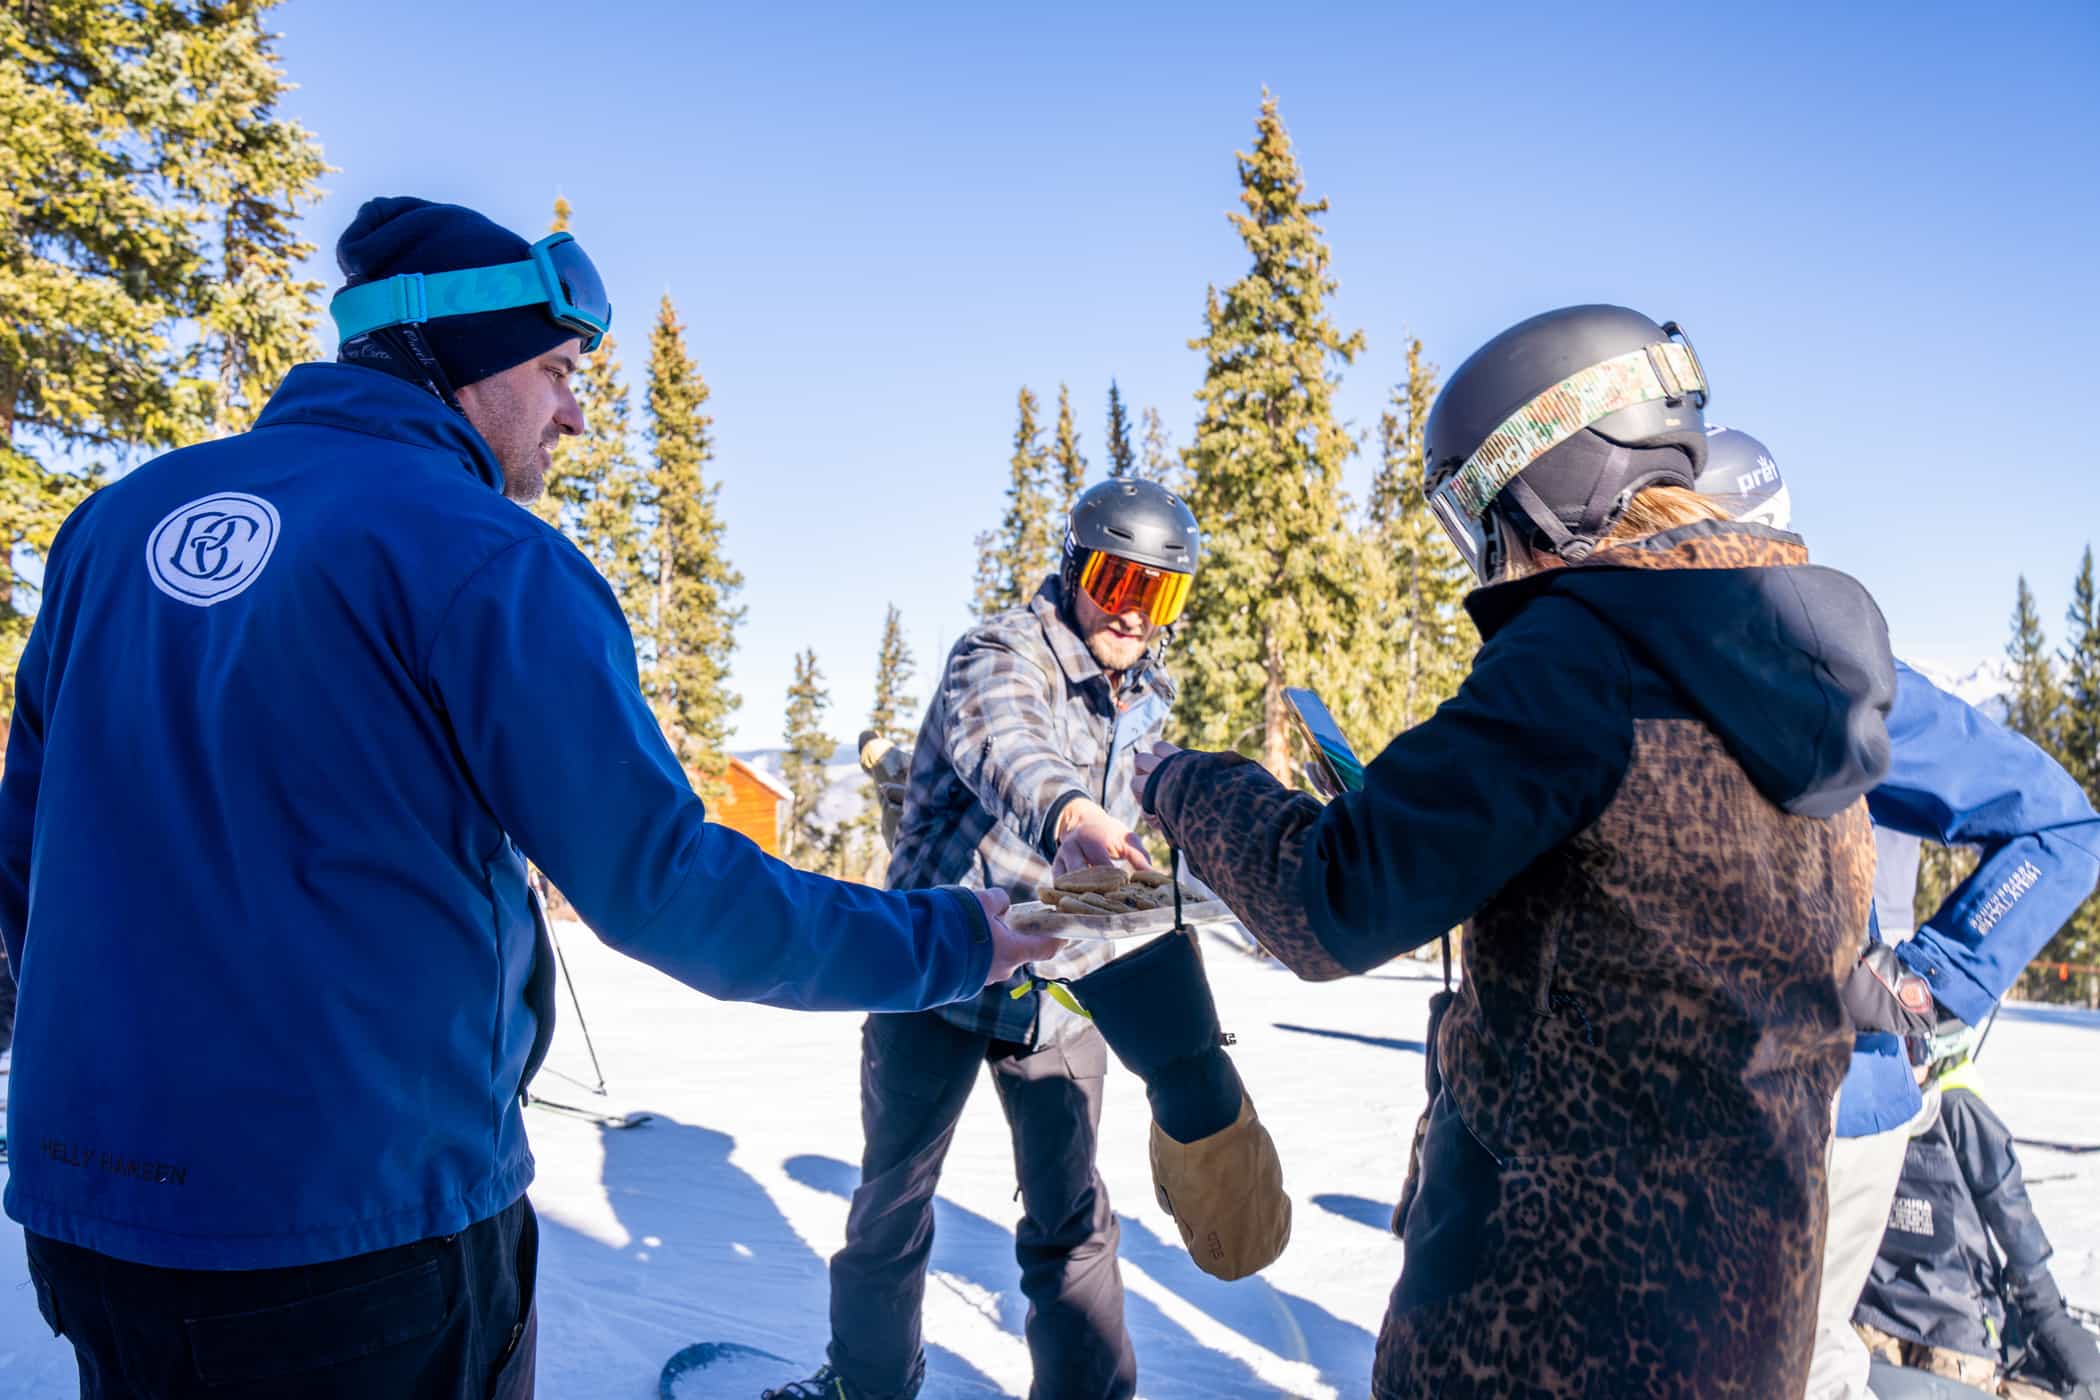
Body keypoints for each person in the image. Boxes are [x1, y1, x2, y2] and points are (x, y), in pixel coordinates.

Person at [0, 196, 1060, 1400]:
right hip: (361, 1234)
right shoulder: (483, 555)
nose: (575, 411)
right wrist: (955, 936)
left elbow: (26, 868)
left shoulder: (110, 527)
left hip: (93, 1227)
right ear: (457, 356)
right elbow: (666, 886)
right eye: (556, 369)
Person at [1135, 305, 1898, 1397]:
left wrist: (1182, 780)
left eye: (1476, 516)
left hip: (1550, 1315)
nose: (1486, 554)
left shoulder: (1586, 651)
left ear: (1544, 480)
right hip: (1746, 1302)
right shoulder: (1797, 676)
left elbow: (1330, 899)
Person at [1694, 425, 2100, 1400]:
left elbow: (2058, 826)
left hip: (1837, 1103)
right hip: (1703, 1101)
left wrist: (1927, 975)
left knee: (1792, 1362)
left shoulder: (1839, 678)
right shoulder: (1656, 682)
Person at [769, 479, 1196, 1400]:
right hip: (939, 964)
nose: (1132, 611)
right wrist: (1072, 813)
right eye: (1119, 580)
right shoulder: (1002, 652)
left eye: (1158, 593)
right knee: (892, 1201)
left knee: (1072, 1220)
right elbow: (1008, 742)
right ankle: (868, 1382)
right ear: (1079, 566)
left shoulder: (1146, 694)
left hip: (1064, 983)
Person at [1855, 1050, 2100, 1400]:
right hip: (1876, 1311)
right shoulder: (1861, 1104)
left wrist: (2044, 1309)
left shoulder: (1957, 1111)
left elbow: (2011, 1212)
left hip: (1955, 1323)